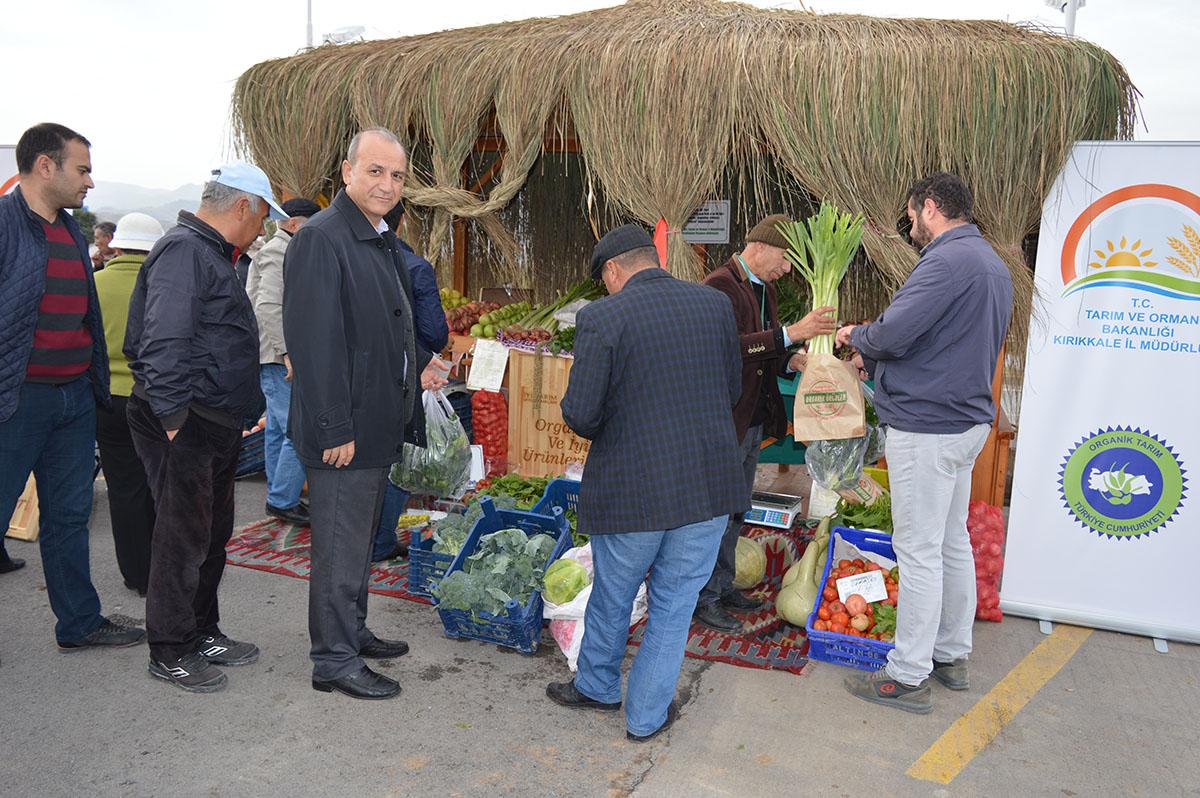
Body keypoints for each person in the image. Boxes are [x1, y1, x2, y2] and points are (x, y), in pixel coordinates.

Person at [546, 224, 747, 741]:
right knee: (675, 607)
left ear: (613, 271)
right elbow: (730, 389)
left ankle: (596, 687)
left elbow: (583, 415)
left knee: (614, 593)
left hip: (633, 491)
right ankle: (646, 718)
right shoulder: (713, 306)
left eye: (604, 280)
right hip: (705, 487)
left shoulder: (603, 317)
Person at [836, 172, 1012, 714]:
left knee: (918, 552)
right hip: (965, 424)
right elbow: (944, 341)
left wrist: (855, 338)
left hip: (929, 427)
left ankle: (907, 674)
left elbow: (894, 334)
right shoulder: (991, 263)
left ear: (931, 208)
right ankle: (951, 654)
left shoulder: (944, 261)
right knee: (951, 541)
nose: (909, 225)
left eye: (911, 214)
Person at [283, 128, 449, 700]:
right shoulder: (323, 239)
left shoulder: (375, 236)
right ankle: (333, 660)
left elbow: (393, 328)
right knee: (338, 546)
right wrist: (334, 427)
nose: (386, 184)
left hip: (376, 420)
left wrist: (420, 366)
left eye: (397, 175)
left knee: (355, 543)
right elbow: (314, 341)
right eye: (375, 171)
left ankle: (350, 632)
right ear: (347, 172)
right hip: (345, 430)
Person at [125, 161, 286, 693]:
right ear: (242, 205)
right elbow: (163, 339)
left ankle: (201, 630)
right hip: (184, 420)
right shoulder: (184, 251)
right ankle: (169, 647)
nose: (262, 228)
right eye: (262, 217)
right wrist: (173, 420)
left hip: (211, 420)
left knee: (211, 535)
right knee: (181, 537)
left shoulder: (211, 253)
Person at [0, 122, 145, 649]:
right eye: (81, 169)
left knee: (68, 516)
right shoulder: (4, 225)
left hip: (75, 397)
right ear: (45, 166)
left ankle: (79, 623)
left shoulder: (69, 228)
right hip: (17, 400)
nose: (89, 181)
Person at [692, 214, 837, 633]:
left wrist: (790, 358)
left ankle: (724, 583)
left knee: (737, 507)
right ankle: (704, 596)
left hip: (752, 417)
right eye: (785, 258)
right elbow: (727, 348)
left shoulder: (764, 289)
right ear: (760, 246)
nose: (787, 268)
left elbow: (764, 348)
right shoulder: (720, 286)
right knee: (716, 511)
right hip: (726, 419)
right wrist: (791, 334)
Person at [371, 199, 449, 564]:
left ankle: (360, 538)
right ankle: (382, 541)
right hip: (404, 375)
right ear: (400, 224)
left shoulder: (355, 262)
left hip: (361, 378)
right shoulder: (415, 267)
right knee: (398, 461)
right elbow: (435, 332)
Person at [94, 212, 164, 596]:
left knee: (123, 488)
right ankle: (163, 567)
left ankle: (136, 574)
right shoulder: (161, 284)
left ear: (116, 245)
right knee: (160, 484)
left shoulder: (96, 283)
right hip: (153, 398)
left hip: (106, 399)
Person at [246, 197, 322, 527]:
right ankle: (282, 499)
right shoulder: (279, 251)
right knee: (298, 430)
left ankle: (280, 494)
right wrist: (288, 351)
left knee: (277, 429)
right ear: (293, 224)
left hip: (271, 354)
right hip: (278, 356)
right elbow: (267, 306)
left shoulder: (279, 249)